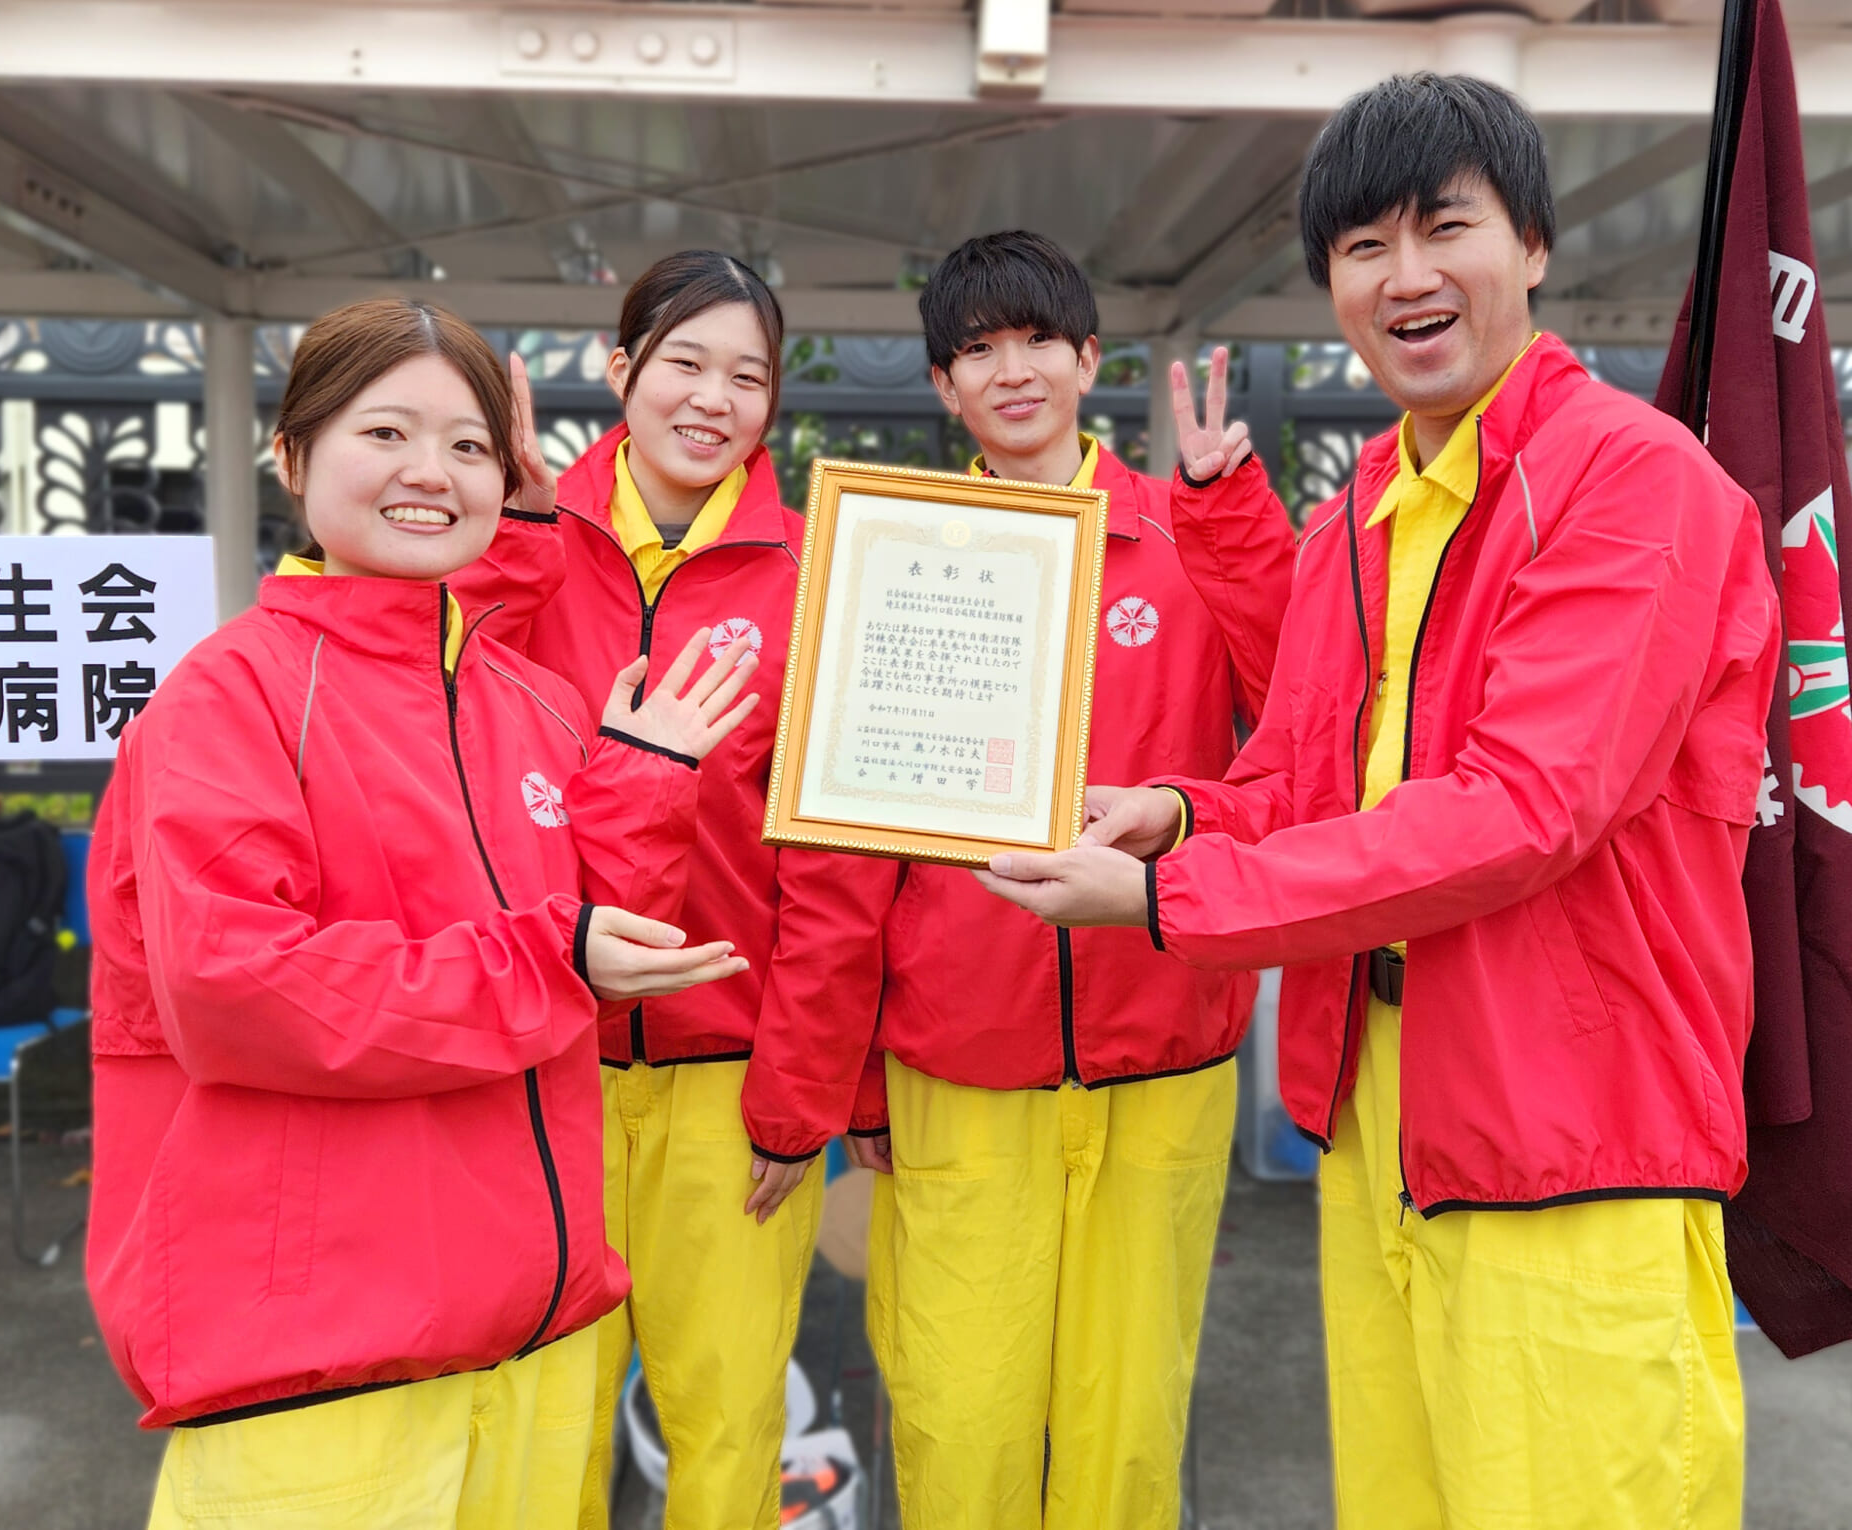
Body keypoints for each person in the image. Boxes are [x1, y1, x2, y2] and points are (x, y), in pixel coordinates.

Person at [976, 75, 1779, 1529]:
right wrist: (1172, 811)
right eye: (1361, 247)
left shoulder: (1632, 481)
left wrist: (1170, 899)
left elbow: (1525, 806)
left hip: (1571, 1142)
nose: (1403, 277)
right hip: (1378, 1123)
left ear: (1531, 244)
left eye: (1443, 228)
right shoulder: (1362, 511)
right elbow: (1301, 781)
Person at [83, 299, 765, 1529]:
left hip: (531, 1331)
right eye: (385, 431)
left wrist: (645, 777)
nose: (429, 474)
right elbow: (238, 986)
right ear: (292, 457)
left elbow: (588, 946)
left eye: (467, 447)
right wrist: (549, 953)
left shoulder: (532, 698)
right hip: (320, 1354)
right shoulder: (228, 698)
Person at [836, 232, 1299, 1529]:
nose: (1012, 368)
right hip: (957, 1059)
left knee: (1126, 1423)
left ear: (1089, 357)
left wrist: (1236, 517)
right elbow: (847, 849)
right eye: (976, 349)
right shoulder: (901, 556)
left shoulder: (1195, 527)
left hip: (1161, 1050)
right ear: (943, 386)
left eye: (1037, 337)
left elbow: (1306, 721)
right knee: (958, 1413)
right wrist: (859, 1062)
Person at [467, 251, 879, 1530]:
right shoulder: (518, 535)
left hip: (728, 1072)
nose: (713, 400)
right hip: (545, 1067)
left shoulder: (821, 572)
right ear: (620, 370)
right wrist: (519, 541)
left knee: (726, 1425)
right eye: (685, 363)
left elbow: (839, 867)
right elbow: (457, 755)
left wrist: (798, 1095)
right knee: (538, 1424)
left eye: (746, 376)